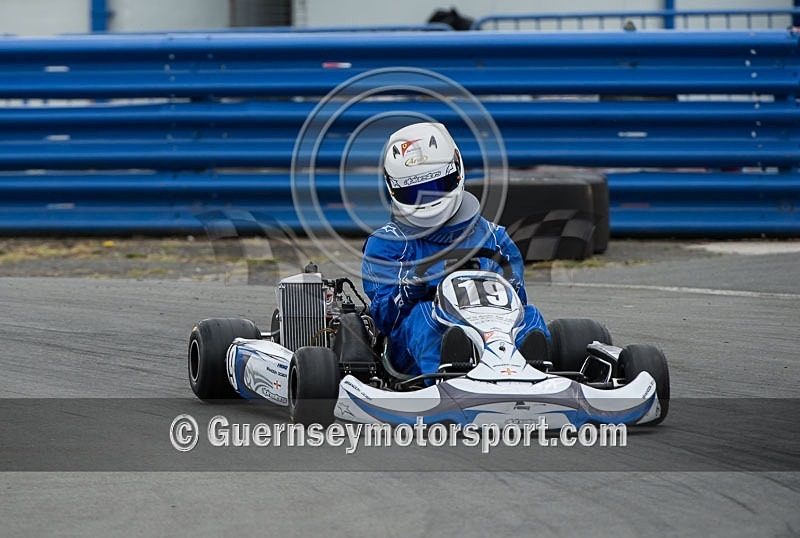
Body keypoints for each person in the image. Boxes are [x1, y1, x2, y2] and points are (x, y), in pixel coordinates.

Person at [361, 122, 549, 377]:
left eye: (437, 186)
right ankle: (448, 375)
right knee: (424, 315)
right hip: (411, 351)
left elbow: (517, 301)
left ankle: (535, 372)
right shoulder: (387, 244)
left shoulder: (495, 238)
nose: (428, 199)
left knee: (530, 315)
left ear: (456, 172)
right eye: (414, 192)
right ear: (394, 189)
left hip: (495, 332)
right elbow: (385, 322)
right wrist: (410, 288)